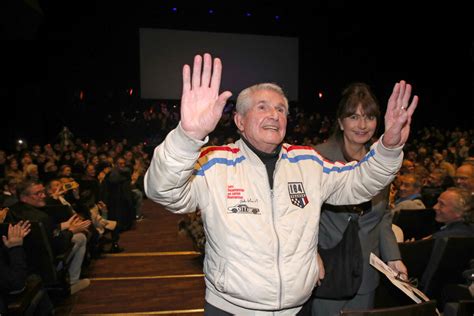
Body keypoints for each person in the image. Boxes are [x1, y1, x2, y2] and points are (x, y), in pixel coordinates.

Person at [144, 53, 418, 314]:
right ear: (239, 120)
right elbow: (163, 191)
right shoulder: (214, 163)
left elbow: (360, 183)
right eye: (262, 107)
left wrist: (389, 147)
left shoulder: (308, 162)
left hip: (297, 309)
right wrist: (187, 136)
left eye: (280, 109)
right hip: (231, 309)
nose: (274, 114)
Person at [311, 82, 408, 315]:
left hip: (366, 271)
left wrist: (393, 258)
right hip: (326, 267)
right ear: (340, 122)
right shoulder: (315, 158)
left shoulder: (381, 160)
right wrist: (309, 254)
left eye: (370, 117)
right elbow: (301, 216)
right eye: (354, 116)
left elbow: (382, 216)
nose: (362, 125)